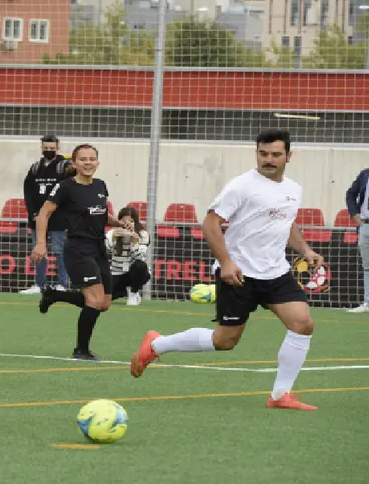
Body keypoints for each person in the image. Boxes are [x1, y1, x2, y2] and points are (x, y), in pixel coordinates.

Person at [131, 130, 323, 411]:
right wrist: (227, 262)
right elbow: (210, 224)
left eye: (275, 154)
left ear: (288, 156)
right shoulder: (242, 186)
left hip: (276, 273)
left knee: (303, 324)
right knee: (224, 341)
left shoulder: (293, 189)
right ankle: (157, 344)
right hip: (240, 274)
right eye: (263, 153)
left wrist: (305, 250)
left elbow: (287, 224)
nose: (268, 160)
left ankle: (281, 395)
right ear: (256, 153)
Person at [32, 144, 131, 361]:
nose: (88, 163)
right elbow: (43, 215)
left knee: (104, 303)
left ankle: (54, 294)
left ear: (98, 162)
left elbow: (102, 214)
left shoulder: (101, 185)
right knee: (94, 301)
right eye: (83, 159)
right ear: (74, 163)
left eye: (92, 159)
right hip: (78, 248)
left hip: (98, 248)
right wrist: (41, 243)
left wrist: (120, 222)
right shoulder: (66, 187)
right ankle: (81, 350)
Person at [21, 135, 71, 295]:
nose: (49, 150)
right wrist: (34, 213)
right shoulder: (36, 167)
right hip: (37, 219)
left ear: (57, 147)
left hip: (58, 219)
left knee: (60, 251)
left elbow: (67, 191)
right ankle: (39, 284)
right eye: (46, 148)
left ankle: (62, 284)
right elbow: (28, 192)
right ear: (41, 147)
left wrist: (55, 212)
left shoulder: (64, 166)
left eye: (52, 148)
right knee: (38, 250)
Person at [105, 206, 151, 306]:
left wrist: (134, 242)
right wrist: (114, 239)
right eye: (124, 220)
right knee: (104, 298)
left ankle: (133, 292)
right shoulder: (111, 233)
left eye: (131, 220)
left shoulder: (143, 235)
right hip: (116, 273)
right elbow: (104, 253)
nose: (127, 224)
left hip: (133, 272)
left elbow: (140, 258)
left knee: (140, 266)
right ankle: (125, 291)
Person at [345, 165, 369, 313]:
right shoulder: (365, 174)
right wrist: (354, 214)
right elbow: (350, 194)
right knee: (367, 267)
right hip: (365, 225)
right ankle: (367, 303)